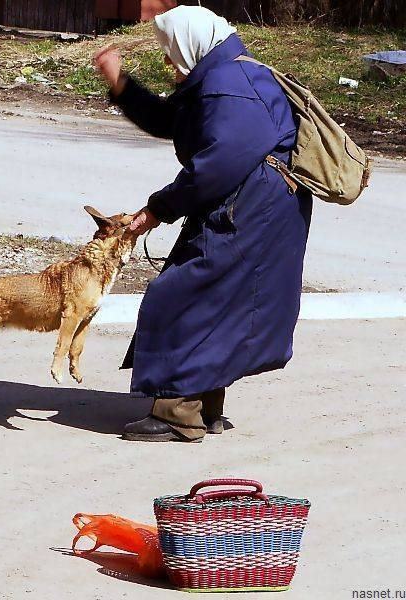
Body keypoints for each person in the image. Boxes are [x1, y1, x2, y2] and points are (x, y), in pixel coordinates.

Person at [94, 6, 312, 443]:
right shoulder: (218, 76)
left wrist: (158, 208)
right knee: (220, 301)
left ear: (192, 43)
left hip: (252, 209)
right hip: (252, 206)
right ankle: (205, 407)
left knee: (181, 296)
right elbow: (169, 119)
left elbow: (220, 163)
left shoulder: (229, 87)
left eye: (169, 50)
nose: (167, 59)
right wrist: (121, 84)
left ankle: (177, 413)